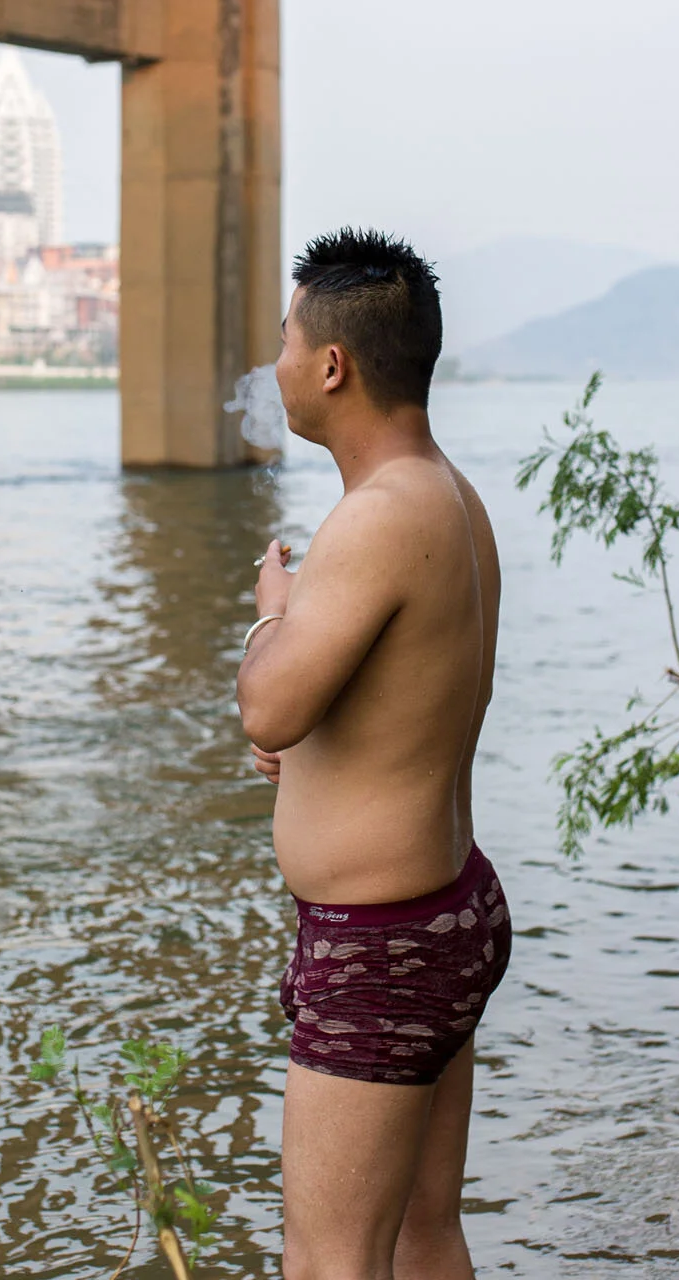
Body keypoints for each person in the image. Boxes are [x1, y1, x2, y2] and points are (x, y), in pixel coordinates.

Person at [237, 229, 508, 1280]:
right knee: (420, 1233)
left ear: (334, 366)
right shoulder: (449, 496)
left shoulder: (375, 517)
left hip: (382, 944)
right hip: (446, 909)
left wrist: (270, 618)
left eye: (287, 340)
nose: (278, 364)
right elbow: (401, 708)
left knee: (329, 1261)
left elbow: (269, 706)